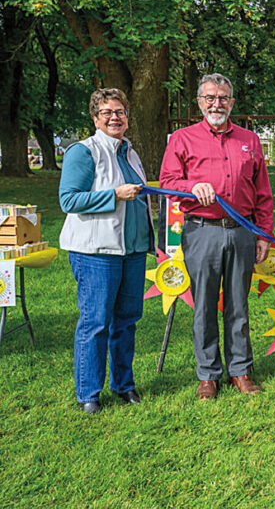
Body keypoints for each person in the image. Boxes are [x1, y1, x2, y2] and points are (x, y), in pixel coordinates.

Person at [159, 73, 273, 400]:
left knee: (238, 305)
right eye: (210, 97)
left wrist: (264, 234)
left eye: (223, 98)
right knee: (205, 306)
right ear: (199, 102)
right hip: (201, 232)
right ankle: (208, 374)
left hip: (242, 233)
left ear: (232, 102)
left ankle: (240, 371)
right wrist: (191, 187)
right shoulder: (182, 139)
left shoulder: (249, 140)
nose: (216, 103)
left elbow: (262, 191)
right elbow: (167, 182)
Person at [59, 88, 155, 414]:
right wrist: (114, 194)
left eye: (120, 111)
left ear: (128, 115)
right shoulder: (83, 152)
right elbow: (69, 199)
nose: (115, 117)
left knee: (127, 322)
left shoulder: (129, 151)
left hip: (132, 252)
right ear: (95, 117)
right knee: (96, 322)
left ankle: (124, 386)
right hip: (96, 253)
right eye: (107, 112)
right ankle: (89, 394)